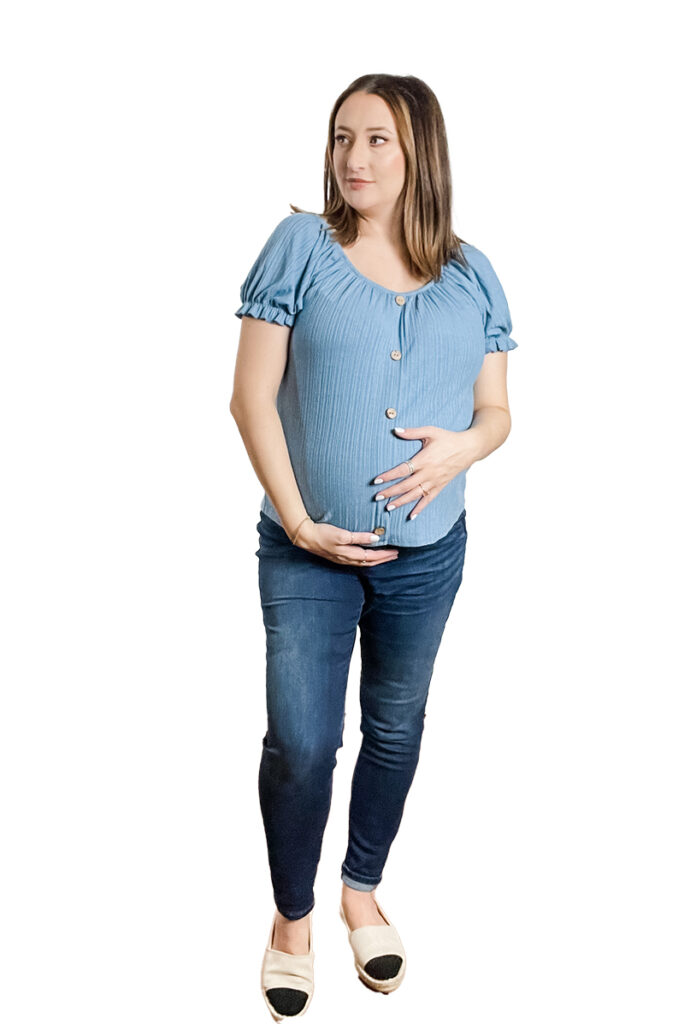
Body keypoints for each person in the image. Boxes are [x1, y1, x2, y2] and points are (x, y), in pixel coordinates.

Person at [230, 73, 519, 1020]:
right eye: (344, 137)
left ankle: (362, 890)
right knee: (304, 744)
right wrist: (301, 519)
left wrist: (464, 450)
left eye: (379, 140)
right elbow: (249, 399)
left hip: (429, 555)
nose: (355, 158)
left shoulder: (474, 273)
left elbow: (496, 413)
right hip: (306, 552)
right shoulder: (299, 248)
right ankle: (291, 918)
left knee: (396, 732)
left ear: (419, 151)